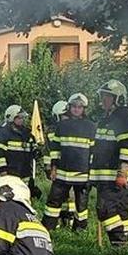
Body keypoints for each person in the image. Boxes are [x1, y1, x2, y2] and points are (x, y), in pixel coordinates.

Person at [90, 80, 128, 246]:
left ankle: (118, 242)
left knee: (104, 208)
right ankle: (122, 246)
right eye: (103, 96)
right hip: (106, 175)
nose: (103, 100)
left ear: (119, 99)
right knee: (120, 210)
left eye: (108, 97)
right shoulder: (106, 119)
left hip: (117, 175)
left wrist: (122, 172)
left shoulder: (123, 118)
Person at [43, 93, 95, 231]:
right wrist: (53, 168)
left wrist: (92, 172)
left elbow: (94, 151)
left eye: (80, 107)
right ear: (69, 108)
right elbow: (55, 149)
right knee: (53, 201)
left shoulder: (91, 127)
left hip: (82, 173)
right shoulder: (62, 126)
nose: (77, 109)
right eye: (74, 106)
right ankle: (48, 227)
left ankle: (80, 229)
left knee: (81, 204)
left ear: (84, 109)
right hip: (62, 172)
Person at [0, 105, 41, 197]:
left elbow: (32, 150)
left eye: (23, 117)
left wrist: (36, 151)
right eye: (19, 117)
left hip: (24, 176)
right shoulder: (2, 133)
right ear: (11, 118)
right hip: (8, 175)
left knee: (23, 200)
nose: (22, 120)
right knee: (7, 200)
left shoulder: (27, 134)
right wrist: (3, 172)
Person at [44, 100, 77, 229]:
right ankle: (57, 221)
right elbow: (49, 150)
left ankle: (70, 219)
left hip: (72, 169)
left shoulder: (75, 128)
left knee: (71, 197)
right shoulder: (52, 132)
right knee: (58, 196)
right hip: (58, 169)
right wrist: (48, 167)